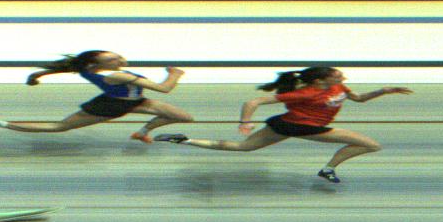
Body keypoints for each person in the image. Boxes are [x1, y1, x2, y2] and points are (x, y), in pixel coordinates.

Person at [154, 67, 412, 182]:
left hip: (285, 124)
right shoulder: (304, 93)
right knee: (370, 144)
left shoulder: (339, 87)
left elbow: (359, 99)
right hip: (304, 127)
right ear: (320, 80)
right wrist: (245, 122)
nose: (342, 75)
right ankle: (328, 169)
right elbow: (254, 101)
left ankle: (184, 139)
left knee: (243, 148)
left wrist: (384, 91)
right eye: (337, 74)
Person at [0, 50, 194, 143]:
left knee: (184, 117)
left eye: (117, 56)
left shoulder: (88, 70)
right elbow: (164, 88)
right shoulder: (119, 75)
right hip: (108, 106)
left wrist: (38, 75)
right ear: (98, 65)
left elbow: (68, 66)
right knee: (59, 127)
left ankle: (142, 132)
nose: (119, 59)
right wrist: (174, 74)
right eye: (112, 60)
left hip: (137, 102)